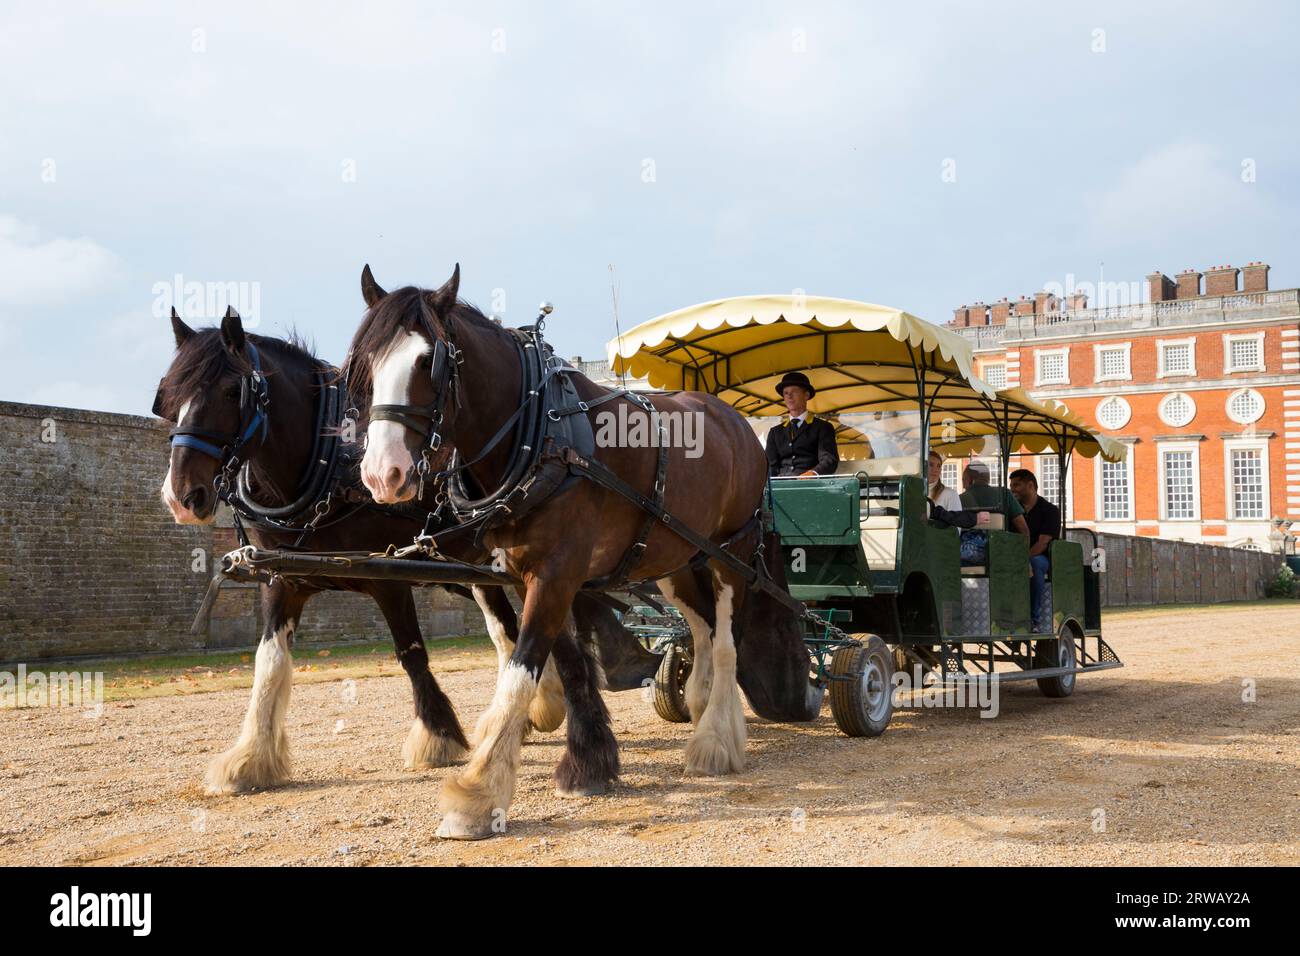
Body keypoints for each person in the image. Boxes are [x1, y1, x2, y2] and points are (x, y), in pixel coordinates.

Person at [1010, 467, 1061, 632]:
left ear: (1030, 486)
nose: (1012, 489)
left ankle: (1034, 618)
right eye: (1011, 485)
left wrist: (1022, 561)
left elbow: (1043, 543)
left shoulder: (1050, 510)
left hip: (1043, 557)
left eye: (1017, 485)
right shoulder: (1012, 510)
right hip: (1017, 556)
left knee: (1035, 563)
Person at [765, 371, 839, 477]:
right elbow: (770, 466)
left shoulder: (823, 427)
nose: (789, 396)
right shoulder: (775, 432)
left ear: (806, 395)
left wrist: (812, 473)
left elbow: (829, 460)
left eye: (794, 392)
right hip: (781, 487)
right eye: (786, 393)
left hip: (810, 486)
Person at [957, 461, 1030, 566]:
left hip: (965, 558)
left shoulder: (959, 499)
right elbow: (1024, 530)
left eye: (963, 480)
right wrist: (1025, 560)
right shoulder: (1004, 494)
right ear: (987, 479)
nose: (963, 485)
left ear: (969, 479)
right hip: (999, 555)